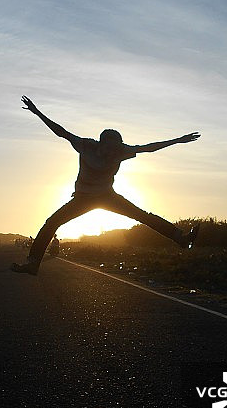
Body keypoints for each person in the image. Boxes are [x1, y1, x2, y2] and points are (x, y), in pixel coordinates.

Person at [11, 96, 201, 276]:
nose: (112, 153)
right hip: (82, 198)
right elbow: (61, 132)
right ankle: (33, 263)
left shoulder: (121, 151)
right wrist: (37, 112)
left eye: (116, 149)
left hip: (107, 196)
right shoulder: (85, 145)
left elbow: (149, 147)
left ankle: (181, 238)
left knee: (143, 216)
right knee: (51, 223)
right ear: (100, 144)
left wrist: (177, 140)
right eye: (109, 149)